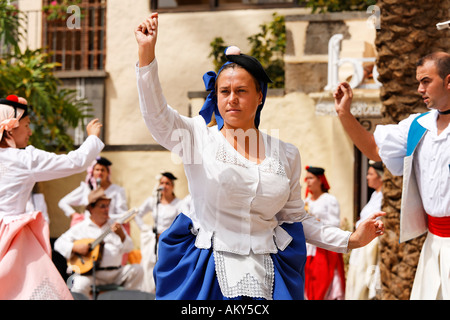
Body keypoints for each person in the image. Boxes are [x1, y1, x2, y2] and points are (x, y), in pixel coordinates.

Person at [134, 13, 385, 300]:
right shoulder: (197, 137)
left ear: (260, 96)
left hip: (269, 271)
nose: (232, 99)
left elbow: (295, 219)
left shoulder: (286, 153)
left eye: (241, 91)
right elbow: (156, 116)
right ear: (215, 97)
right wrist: (146, 54)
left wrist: (350, 239)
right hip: (208, 273)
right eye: (224, 91)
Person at [334, 52, 450, 299]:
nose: (420, 89)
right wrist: (345, 113)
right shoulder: (418, 126)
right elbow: (375, 150)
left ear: (449, 81)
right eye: (419, 82)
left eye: (426, 81)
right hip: (433, 242)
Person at [0, 94, 104, 300]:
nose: (30, 132)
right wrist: (92, 137)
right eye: (27, 125)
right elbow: (75, 162)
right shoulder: (24, 159)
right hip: (12, 238)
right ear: (11, 127)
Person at [54, 188, 144, 299]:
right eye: (102, 206)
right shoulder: (81, 227)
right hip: (91, 275)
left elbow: (129, 247)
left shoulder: (115, 226)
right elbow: (58, 243)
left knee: (137, 270)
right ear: (91, 208)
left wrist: (121, 235)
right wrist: (75, 247)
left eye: (107, 206)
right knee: (78, 284)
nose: (106, 209)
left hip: (116, 273)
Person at [135, 171, 185, 293]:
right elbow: (138, 214)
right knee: (150, 265)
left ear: (172, 186)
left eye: (167, 183)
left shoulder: (179, 204)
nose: (164, 186)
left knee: (165, 266)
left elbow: (182, 223)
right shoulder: (153, 201)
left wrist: (169, 234)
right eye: (162, 183)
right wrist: (146, 229)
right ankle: (149, 293)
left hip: (168, 241)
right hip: (154, 240)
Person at [303, 166, 345, 300]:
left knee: (324, 281)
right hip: (309, 247)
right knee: (309, 280)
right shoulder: (306, 202)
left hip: (324, 247)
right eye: (307, 178)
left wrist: (316, 222)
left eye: (311, 178)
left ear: (320, 180)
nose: (308, 182)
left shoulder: (329, 200)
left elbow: (334, 223)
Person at [345, 161, 383, 300]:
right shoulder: (374, 195)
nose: (367, 177)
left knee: (365, 278)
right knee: (357, 276)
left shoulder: (385, 196)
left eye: (370, 174)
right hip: (362, 244)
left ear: (380, 177)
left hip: (370, 245)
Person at [58, 156, 129, 227]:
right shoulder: (86, 188)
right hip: (89, 228)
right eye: (97, 169)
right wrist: (74, 215)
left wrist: (106, 217)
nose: (100, 173)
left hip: (108, 228)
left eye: (102, 170)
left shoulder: (117, 190)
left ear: (108, 172)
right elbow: (63, 202)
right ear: (92, 172)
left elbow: (123, 214)